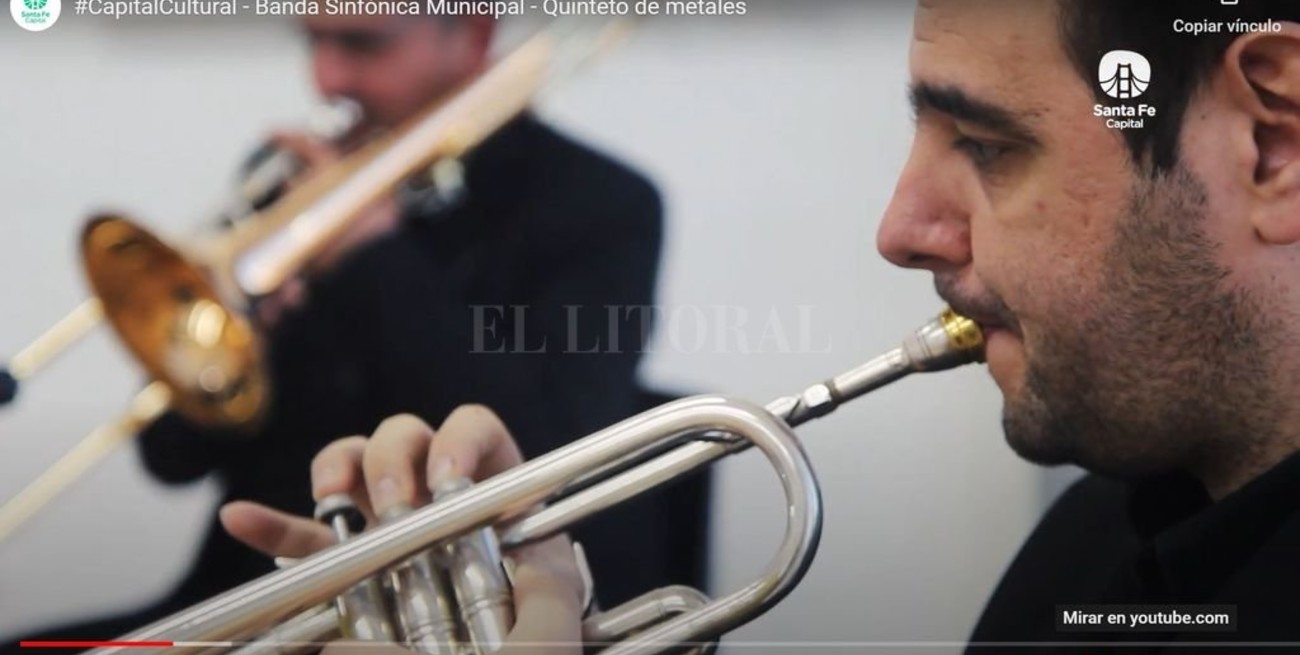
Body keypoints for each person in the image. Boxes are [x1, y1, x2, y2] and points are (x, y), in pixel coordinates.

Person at [211, 0, 1300, 653]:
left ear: (1271, 145)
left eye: (985, 143)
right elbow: (182, 450)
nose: (900, 230)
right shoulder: (1093, 543)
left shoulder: (586, 203)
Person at [1, 13, 713, 652]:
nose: (327, 76)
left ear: (470, 34)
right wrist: (247, 342)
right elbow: (169, 457)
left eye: (362, 43)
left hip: (480, 615)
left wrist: (373, 255)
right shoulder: (289, 186)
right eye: (315, 40)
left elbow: (554, 451)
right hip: (256, 602)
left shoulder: (600, 203)